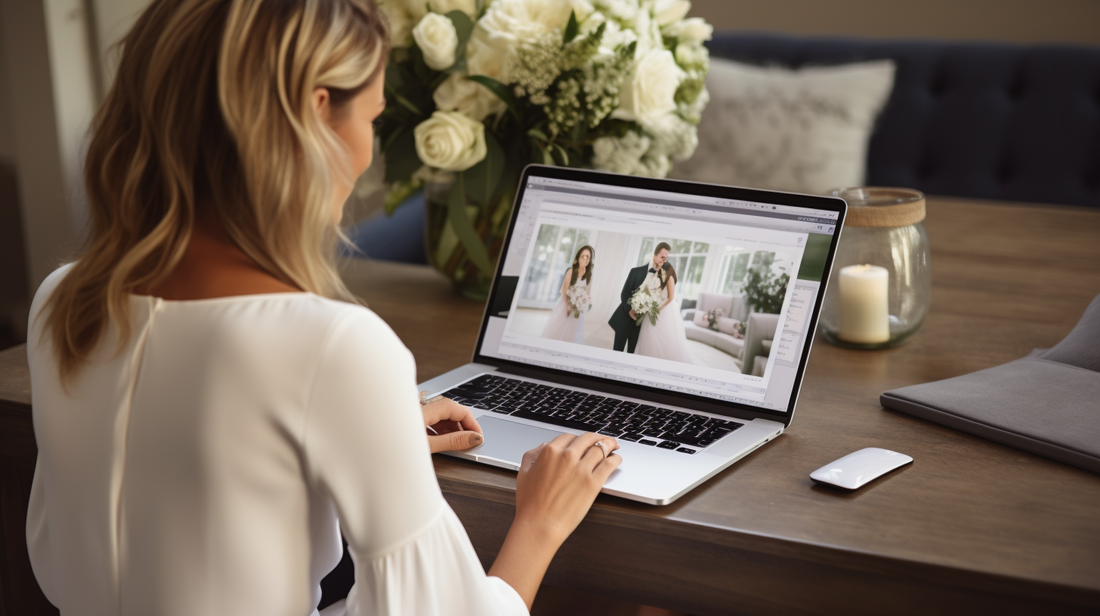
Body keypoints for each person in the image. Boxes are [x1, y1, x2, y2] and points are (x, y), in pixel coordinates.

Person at [24, 1, 621, 615]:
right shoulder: (334, 346)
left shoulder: (62, 303)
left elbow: (116, 532)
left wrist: (365, 429)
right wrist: (541, 521)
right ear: (315, 114)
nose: (367, 155)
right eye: (372, 117)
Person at [608, 242, 670, 353]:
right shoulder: (635, 271)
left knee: (631, 353)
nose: (664, 261)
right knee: (617, 352)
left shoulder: (662, 278)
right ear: (655, 255)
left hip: (640, 325)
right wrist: (630, 310)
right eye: (662, 257)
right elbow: (624, 294)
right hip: (625, 318)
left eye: (666, 259)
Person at [634, 261, 695, 364]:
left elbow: (670, 298)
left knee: (663, 334)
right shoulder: (659, 278)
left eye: (661, 268)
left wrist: (658, 309)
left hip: (666, 307)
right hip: (657, 304)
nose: (659, 270)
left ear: (667, 269)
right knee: (649, 331)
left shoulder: (670, 278)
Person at [541, 245, 594, 343]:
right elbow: (564, 290)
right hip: (565, 305)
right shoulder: (571, 271)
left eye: (588, 257)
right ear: (578, 258)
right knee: (558, 329)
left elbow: (586, 293)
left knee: (571, 333)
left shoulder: (588, 275)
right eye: (583, 256)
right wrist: (569, 304)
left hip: (577, 308)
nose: (586, 259)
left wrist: (581, 304)